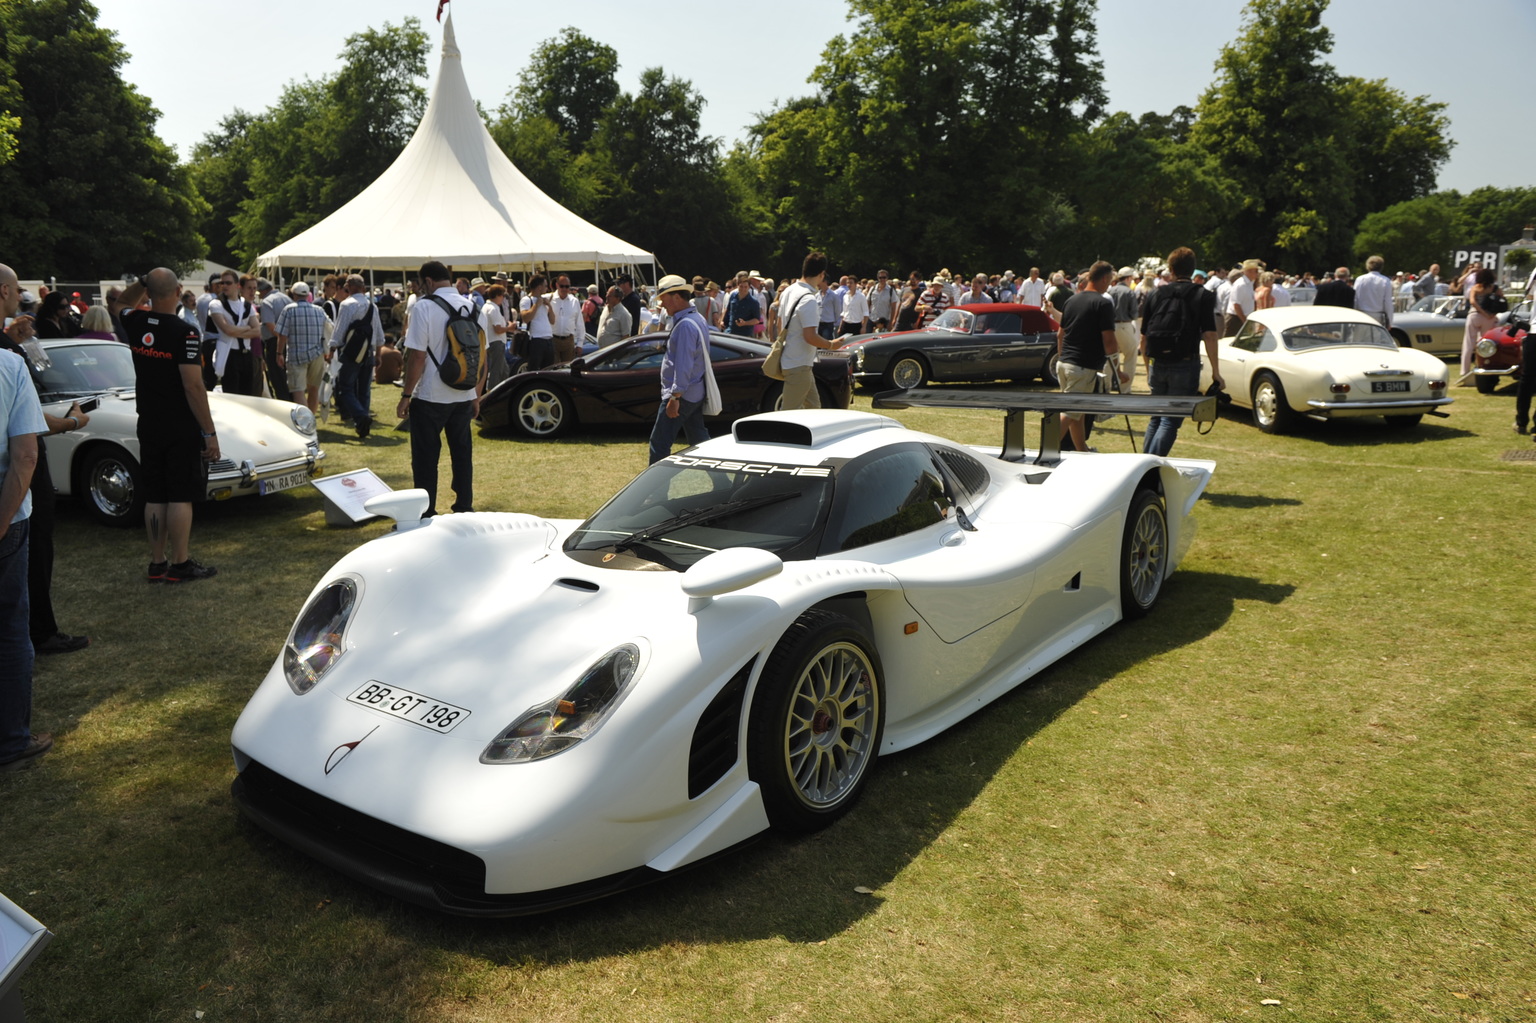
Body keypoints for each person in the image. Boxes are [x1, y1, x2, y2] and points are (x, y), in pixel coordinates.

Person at [1, 298, 91, 656]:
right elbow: (26, 446)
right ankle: (41, 631)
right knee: (34, 552)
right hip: (16, 495)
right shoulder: (9, 360)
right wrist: (73, 422)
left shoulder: (10, 349)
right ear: (5, 291)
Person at [119, 269, 220, 582]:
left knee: (155, 495)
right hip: (179, 424)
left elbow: (121, 301)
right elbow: (193, 386)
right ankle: (180, 563)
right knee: (180, 495)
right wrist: (209, 432)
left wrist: (143, 282)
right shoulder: (185, 332)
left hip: (148, 419)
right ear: (178, 290)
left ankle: (157, 561)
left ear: (149, 292)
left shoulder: (134, 321)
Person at [0, 295, 49, 767]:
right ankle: (11, 739)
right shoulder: (10, 366)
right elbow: (26, 456)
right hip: (7, 520)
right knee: (11, 629)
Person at [396, 261, 484, 516]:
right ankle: (464, 506)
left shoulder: (424, 307)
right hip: (464, 392)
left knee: (425, 457)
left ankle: (426, 511)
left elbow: (417, 357)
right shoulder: (473, 307)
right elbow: (482, 358)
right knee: (462, 453)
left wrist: (406, 394)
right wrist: (476, 395)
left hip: (432, 394)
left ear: (429, 282)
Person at [1139, 247, 1221, 456]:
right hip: (1185, 362)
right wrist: (1216, 371)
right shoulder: (1203, 295)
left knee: (1156, 417)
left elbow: (1144, 336)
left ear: (1171, 269)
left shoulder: (1155, 294)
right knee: (1170, 420)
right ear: (1193, 270)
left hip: (1158, 362)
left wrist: (1148, 366)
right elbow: (1210, 335)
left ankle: (1144, 466)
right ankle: (1150, 470)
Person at [1055, 261, 1127, 452]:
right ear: (1104, 278)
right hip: (1082, 366)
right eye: (1110, 280)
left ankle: (1082, 450)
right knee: (1070, 412)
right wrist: (1117, 372)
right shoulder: (1103, 303)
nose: (1109, 285)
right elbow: (1109, 341)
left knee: (1077, 410)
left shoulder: (1071, 300)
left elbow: (1060, 335)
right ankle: (1044, 450)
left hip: (1064, 364)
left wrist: (1063, 358)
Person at [647, 275, 718, 463]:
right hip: (693, 392)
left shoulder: (685, 324)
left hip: (683, 394)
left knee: (659, 443)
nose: (662, 303)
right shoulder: (696, 318)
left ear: (677, 297)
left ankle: (654, 492)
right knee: (699, 442)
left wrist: (675, 396)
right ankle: (724, 483)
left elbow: (684, 364)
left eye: (664, 298)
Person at [779, 252, 837, 409]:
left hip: (794, 361)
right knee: (787, 416)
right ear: (821, 274)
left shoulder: (788, 291)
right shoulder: (809, 299)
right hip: (798, 364)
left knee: (814, 409)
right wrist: (831, 344)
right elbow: (810, 336)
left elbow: (780, 325)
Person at [330, 275, 384, 439]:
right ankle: (362, 425)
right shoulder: (372, 306)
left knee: (346, 388)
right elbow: (379, 333)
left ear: (348, 286)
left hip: (351, 352)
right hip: (368, 352)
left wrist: (332, 349)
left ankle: (361, 417)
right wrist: (378, 354)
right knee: (364, 390)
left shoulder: (347, 305)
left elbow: (340, 330)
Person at [273, 281, 332, 414]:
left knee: (298, 390)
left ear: (294, 294)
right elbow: (330, 328)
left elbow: (282, 335)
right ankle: (311, 421)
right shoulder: (319, 310)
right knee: (314, 389)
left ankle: (305, 422)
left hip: (296, 355)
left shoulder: (289, 309)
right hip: (317, 354)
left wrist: (279, 353)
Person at [207, 271, 262, 396]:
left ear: (237, 285)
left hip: (246, 354)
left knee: (248, 395)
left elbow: (257, 331)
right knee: (232, 395)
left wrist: (235, 331)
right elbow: (227, 329)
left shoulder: (246, 305)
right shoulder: (216, 304)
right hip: (229, 354)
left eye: (228, 283)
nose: (224, 286)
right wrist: (248, 327)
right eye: (222, 283)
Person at [256, 278, 293, 401]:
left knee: (278, 378)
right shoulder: (286, 298)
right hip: (290, 342)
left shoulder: (267, 302)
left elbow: (271, 327)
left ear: (263, 290)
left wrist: (282, 339)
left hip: (275, 343)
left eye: (258, 292)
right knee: (289, 378)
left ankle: (285, 403)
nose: (259, 295)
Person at [1461, 267, 1500, 378]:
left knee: (1468, 344)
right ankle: (1484, 367)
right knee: (1486, 344)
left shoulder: (1476, 288)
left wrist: (1482, 312)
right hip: (1489, 318)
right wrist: (1491, 314)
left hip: (1474, 315)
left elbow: (1472, 301)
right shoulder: (1495, 288)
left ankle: (1465, 372)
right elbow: (1501, 301)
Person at [1107, 267, 1140, 387]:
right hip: (1124, 325)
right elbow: (1134, 314)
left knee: (1110, 357)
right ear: (1128, 278)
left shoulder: (1110, 290)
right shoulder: (1129, 292)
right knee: (1131, 355)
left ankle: (1106, 387)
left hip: (1110, 326)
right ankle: (1125, 388)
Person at [479, 282, 512, 389]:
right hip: (496, 343)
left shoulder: (486, 306)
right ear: (497, 295)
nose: (503, 298)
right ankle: (492, 395)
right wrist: (510, 328)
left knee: (504, 371)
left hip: (490, 342)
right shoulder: (493, 309)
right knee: (496, 371)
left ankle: (501, 392)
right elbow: (497, 329)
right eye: (502, 295)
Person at [520, 274, 556, 370]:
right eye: (545, 286)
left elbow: (552, 321)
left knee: (549, 369)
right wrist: (536, 305)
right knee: (534, 369)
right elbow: (526, 318)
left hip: (548, 339)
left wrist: (549, 306)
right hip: (536, 339)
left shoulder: (544, 300)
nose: (547, 288)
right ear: (539, 287)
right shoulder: (526, 300)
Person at [548, 275, 587, 364]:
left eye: (567, 286)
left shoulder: (574, 301)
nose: (564, 289)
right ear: (557, 285)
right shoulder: (549, 298)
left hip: (569, 341)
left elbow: (580, 323)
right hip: (553, 340)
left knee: (568, 370)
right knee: (553, 369)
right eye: (562, 286)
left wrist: (580, 344)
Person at [1353, 255, 1394, 329]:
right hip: (1377, 316)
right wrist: (1390, 321)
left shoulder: (1360, 279)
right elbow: (1388, 302)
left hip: (1362, 314)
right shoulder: (1385, 280)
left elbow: (1356, 299)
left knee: (1359, 339)